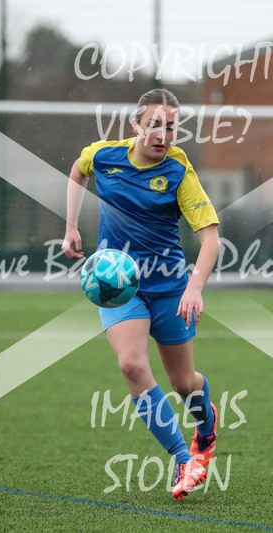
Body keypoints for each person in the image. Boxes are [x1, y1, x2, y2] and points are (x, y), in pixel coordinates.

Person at [62, 88, 220, 500]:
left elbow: (211, 240)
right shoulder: (105, 156)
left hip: (169, 287)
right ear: (135, 126)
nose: (163, 134)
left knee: (184, 383)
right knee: (132, 366)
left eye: (171, 126)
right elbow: (78, 170)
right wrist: (71, 226)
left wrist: (194, 288)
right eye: (154, 125)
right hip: (120, 286)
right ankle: (184, 459)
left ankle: (207, 426)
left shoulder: (180, 173)